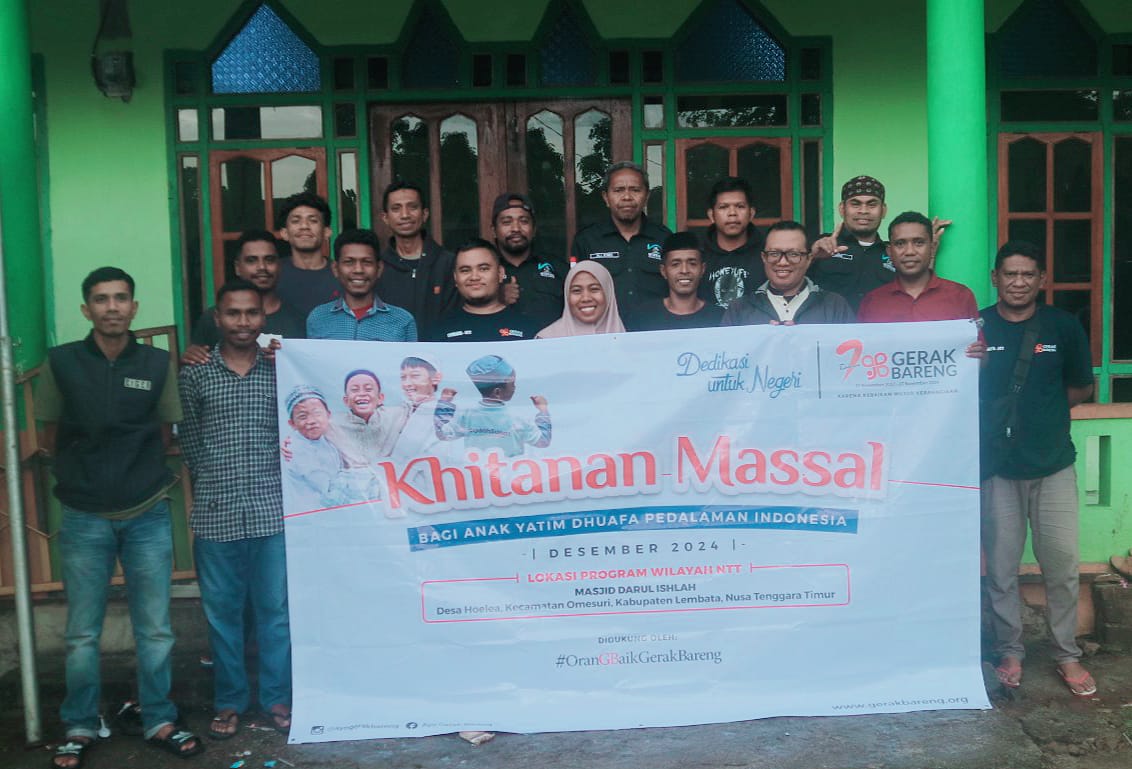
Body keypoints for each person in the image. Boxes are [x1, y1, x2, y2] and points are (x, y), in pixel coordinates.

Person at [36, 267, 203, 767]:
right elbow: (48, 436)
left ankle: (158, 718)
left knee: (155, 629)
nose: (112, 307)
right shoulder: (62, 362)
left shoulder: (155, 363)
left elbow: (166, 434)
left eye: (121, 298)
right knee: (82, 633)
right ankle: (80, 724)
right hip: (84, 515)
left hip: (146, 511)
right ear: (86, 309)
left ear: (134, 307)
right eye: (101, 299)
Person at [979, 240, 1097, 697]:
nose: (1018, 282)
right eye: (1010, 274)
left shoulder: (1062, 326)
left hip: (1053, 467)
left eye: (1027, 274)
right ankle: (1011, 650)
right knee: (1001, 569)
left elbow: (1080, 388)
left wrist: (1039, 417)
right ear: (995, 278)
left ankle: (1066, 653)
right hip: (998, 470)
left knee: (1062, 566)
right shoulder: (978, 328)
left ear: (1041, 279)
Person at [177, 280, 292, 741]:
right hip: (216, 513)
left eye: (251, 313)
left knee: (274, 613)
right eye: (233, 313)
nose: (243, 322)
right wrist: (212, 482)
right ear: (217, 318)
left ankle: (277, 698)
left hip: (272, 512)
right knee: (223, 616)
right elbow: (189, 439)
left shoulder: (280, 370)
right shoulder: (195, 373)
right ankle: (229, 701)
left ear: (263, 317)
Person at [570, 161, 672, 321]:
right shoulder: (586, 240)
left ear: (646, 196)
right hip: (604, 331)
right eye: (618, 190)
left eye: (635, 190)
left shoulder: (664, 238)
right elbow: (574, 292)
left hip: (655, 330)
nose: (627, 197)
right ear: (606, 197)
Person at [186, 230, 306, 352]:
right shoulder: (213, 319)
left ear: (279, 266)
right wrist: (191, 356)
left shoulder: (299, 320)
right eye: (251, 260)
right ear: (237, 268)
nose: (262, 267)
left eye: (269, 260)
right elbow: (197, 358)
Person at [722, 220, 854, 326]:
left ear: (809, 259)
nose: (783, 262)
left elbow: (850, 349)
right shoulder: (739, 309)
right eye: (774, 253)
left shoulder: (834, 305)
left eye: (793, 254)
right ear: (764, 258)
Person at [858, 211, 980, 323]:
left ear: (932, 248)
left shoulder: (960, 296)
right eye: (900, 244)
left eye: (919, 243)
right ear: (890, 252)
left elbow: (975, 339)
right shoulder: (873, 302)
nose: (910, 251)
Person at [377, 181, 458, 340]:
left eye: (412, 207)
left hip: (441, 351)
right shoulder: (378, 268)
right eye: (396, 208)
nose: (405, 215)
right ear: (385, 217)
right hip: (391, 352)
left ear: (425, 214)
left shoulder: (448, 263)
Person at [306, 228, 417, 341]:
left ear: (379, 268)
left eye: (367, 262)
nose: (358, 270)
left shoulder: (403, 321)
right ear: (335, 268)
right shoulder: (318, 318)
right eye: (349, 262)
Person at [434, 354, 551, 458]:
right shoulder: (518, 417)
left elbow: (443, 434)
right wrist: (543, 410)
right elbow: (543, 441)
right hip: (510, 473)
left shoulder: (468, 415)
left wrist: (444, 403)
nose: (515, 387)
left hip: (477, 473)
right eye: (512, 384)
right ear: (497, 392)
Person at [432, 238, 542, 342]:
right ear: (456, 278)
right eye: (465, 270)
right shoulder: (437, 332)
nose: (474, 277)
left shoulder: (530, 330)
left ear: (500, 273)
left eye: (483, 269)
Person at [491, 192, 567, 326]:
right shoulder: (484, 271)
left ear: (534, 229)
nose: (516, 228)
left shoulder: (558, 268)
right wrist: (495, 298)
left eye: (524, 221)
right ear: (494, 231)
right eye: (507, 222)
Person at [628, 232, 724, 331]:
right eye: (675, 264)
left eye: (692, 263)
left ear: (702, 269)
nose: (684, 270)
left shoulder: (720, 317)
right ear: (663, 271)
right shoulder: (643, 317)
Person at [700, 177, 765, 310]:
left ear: (751, 213)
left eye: (740, 206)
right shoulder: (698, 253)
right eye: (723, 207)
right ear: (711, 215)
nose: (732, 213)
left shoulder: (767, 252)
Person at [274, 192, 341, 315]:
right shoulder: (273, 273)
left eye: (313, 220)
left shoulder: (340, 274)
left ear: (327, 232)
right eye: (296, 221)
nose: (304, 226)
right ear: (284, 233)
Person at [282, 385, 347, 511]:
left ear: (328, 415)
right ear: (292, 424)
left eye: (317, 413)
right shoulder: (295, 449)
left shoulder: (326, 439)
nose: (311, 421)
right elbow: (327, 489)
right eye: (302, 416)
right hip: (312, 513)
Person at [536, 261, 626, 338]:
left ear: (608, 293)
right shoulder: (546, 339)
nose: (586, 298)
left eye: (594, 289)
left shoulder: (627, 339)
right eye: (576, 291)